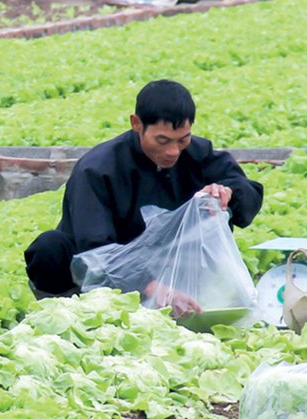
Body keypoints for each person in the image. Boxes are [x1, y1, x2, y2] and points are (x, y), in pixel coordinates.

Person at [24, 79, 264, 300]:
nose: (173, 151)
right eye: (162, 141)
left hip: (172, 264)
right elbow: (97, 249)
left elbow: (248, 195)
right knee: (49, 247)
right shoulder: (98, 169)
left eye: (182, 139)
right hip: (102, 274)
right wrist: (149, 286)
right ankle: (70, 308)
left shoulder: (198, 154)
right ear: (136, 124)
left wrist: (228, 192)